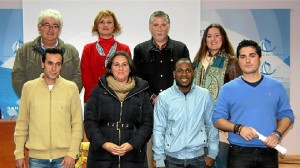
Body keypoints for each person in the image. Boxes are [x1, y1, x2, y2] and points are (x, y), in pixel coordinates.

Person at [212, 39, 294, 168]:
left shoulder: (276, 86)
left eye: (252, 55)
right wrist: (238, 129)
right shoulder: (228, 89)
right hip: (239, 154)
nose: (247, 61)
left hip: (269, 152)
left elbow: (287, 115)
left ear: (260, 58)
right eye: (243, 57)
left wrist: (277, 134)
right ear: (238, 60)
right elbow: (217, 120)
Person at [14, 48, 83, 168]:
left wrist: (72, 154)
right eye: (50, 63)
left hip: (64, 158)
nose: (53, 68)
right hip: (37, 159)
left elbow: (77, 124)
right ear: (42, 64)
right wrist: (19, 153)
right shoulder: (29, 88)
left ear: (61, 66)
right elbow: (22, 123)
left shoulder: (71, 88)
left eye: (58, 64)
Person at [84, 51, 153, 168]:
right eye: (116, 64)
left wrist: (132, 144)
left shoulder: (142, 91)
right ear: (110, 69)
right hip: (102, 155)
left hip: (133, 155)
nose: (120, 68)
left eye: (124, 64)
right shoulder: (98, 90)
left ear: (130, 68)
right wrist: (103, 143)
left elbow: (148, 123)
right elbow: (89, 121)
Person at [153, 58, 219, 168]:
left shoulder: (204, 95)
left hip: (198, 159)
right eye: (180, 70)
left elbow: (211, 125)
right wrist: (159, 159)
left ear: (194, 73)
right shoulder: (164, 97)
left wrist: (212, 153)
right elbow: (159, 129)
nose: (184, 74)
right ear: (174, 74)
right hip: (171, 159)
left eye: (188, 70)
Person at [193, 23, 242, 168]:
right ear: (205, 40)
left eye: (216, 36)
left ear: (223, 38)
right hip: (198, 126)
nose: (213, 39)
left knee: (220, 162)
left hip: (221, 126)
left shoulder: (232, 62)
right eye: (209, 36)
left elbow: (238, 95)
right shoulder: (196, 63)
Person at [12, 9, 82, 97]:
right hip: (34, 105)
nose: (50, 30)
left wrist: (65, 96)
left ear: (59, 30)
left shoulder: (71, 52)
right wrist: (32, 97)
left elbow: (78, 77)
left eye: (55, 26)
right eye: (46, 25)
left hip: (63, 105)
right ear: (39, 27)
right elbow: (18, 77)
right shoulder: (24, 50)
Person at [133, 10, 190, 105]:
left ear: (168, 26)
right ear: (150, 27)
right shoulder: (140, 50)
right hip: (148, 105)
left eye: (163, 25)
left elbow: (186, 77)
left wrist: (171, 96)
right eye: (156, 25)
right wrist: (151, 96)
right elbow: (136, 79)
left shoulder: (181, 48)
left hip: (176, 103)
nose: (159, 29)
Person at [81, 9, 131, 103]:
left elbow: (126, 76)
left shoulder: (124, 49)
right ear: (96, 25)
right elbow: (86, 77)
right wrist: (98, 96)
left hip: (118, 100)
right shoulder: (88, 49)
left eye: (109, 22)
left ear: (115, 26)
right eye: (101, 22)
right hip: (93, 99)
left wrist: (114, 96)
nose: (105, 25)